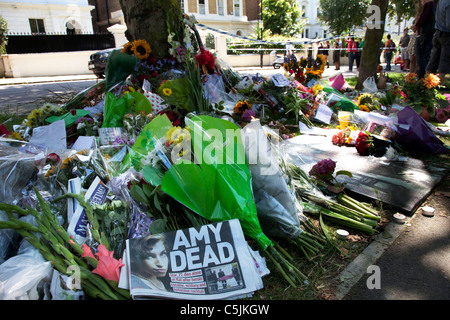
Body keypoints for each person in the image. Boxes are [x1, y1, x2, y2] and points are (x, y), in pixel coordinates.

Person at [412, 0, 437, 79]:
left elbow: (423, 19)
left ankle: (423, 78)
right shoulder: (436, 6)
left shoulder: (428, 5)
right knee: (428, 57)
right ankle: (429, 78)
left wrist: (416, 26)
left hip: (425, 36)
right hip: (432, 35)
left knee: (422, 58)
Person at [426, 0, 450, 84]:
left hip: (437, 32)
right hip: (446, 34)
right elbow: (449, 23)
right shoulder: (449, 3)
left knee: (434, 58)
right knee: (445, 59)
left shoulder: (441, 1)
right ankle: (440, 83)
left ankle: (427, 81)